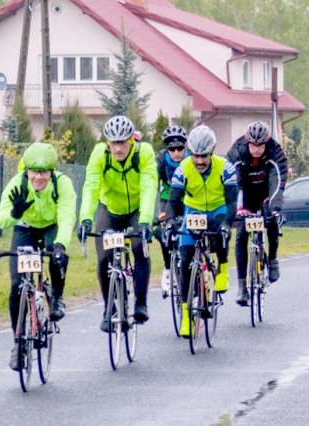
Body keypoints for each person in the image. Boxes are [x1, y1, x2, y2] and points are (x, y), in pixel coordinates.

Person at [0, 142, 76, 370]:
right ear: (26, 170)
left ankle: (57, 298)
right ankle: (18, 343)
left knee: (57, 256)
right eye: (34, 172)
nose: (39, 177)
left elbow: (67, 217)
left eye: (44, 172)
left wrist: (60, 245)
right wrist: (14, 213)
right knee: (16, 285)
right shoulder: (17, 184)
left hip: (51, 225)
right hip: (25, 227)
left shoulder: (63, 184)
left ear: (51, 171)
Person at [77, 115, 158, 330]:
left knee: (139, 247)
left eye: (122, 142)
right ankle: (108, 308)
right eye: (114, 143)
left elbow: (149, 187)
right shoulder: (100, 154)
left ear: (131, 140)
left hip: (136, 210)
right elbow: (91, 187)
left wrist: (145, 222)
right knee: (104, 258)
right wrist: (85, 219)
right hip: (110, 209)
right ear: (108, 143)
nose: (118, 148)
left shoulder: (144, 153)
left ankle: (140, 303)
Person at [168, 125, 235, 337]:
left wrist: (227, 223)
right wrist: (170, 221)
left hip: (217, 210)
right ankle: (187, 316)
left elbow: (233, 200)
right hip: (193, 212)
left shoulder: (225, 167)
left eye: (204, 156)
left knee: (219, 236)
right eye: (196, 156)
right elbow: (172, 201)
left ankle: (222, 268)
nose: (199, 161)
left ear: (212, 152)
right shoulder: (183, 169)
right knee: (185, 258)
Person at [226, 120, 288, 306]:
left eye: (261, 146)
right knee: (241, 235)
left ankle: (273, 258)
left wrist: (274, 206)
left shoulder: (275, 151)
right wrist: (238, 209)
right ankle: (241, 287)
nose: (257, 150)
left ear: (266, 143)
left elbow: (277, 180)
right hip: (245, 194)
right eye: (253, 145)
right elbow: (232, 183)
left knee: (271, 222)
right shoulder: (236, 151)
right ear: (247, 142)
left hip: (266, 193)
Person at [155, 125, 189, 296]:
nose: (176, 152)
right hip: (168, 197)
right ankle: (168, 269)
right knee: (163, 231)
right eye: (172, 149)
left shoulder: (192, 158)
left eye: (180, 148)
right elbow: (152, 183)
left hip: (188, 196)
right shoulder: (160, 161)